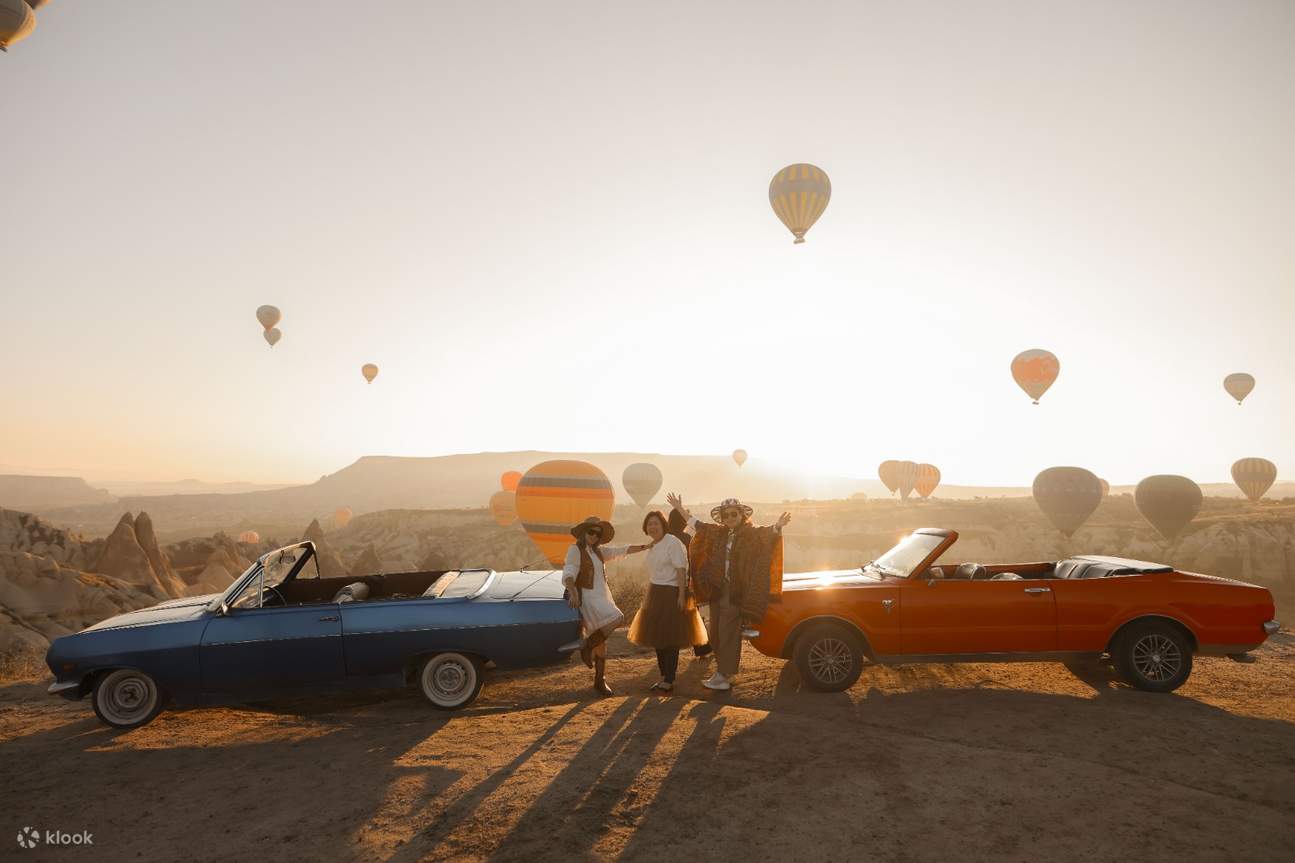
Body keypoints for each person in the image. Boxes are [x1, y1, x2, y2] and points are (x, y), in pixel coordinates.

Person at [666, 493, 790, 691]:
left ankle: (723, 675)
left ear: (741, 515)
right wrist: (680, 508)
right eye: (726, 515)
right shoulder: (719, 533)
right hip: (717, 589)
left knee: (728, 633)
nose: (730, 518)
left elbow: (767, 535)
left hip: (736, 591)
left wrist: (777, 526)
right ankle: (725, 673)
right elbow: (697, 525)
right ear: (721, 518)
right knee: (714, 633)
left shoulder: (751, 533)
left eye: (734, 514)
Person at [561, 516, 647, 697]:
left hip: (601, 596)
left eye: (597, 534)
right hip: (589, 598)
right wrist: (573, 592)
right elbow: (569, 571)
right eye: (590, 532)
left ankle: (600, 680)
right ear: (583, 532)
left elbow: (622, 550)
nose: (593, 536)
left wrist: (646, 547)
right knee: (618, 617)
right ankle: (587, 647)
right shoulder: (575, 550)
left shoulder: (598, 552)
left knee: (601, 641)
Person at [627, 510, 709, 692]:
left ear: (664, 525)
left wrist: (681, 596)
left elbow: (681, 570)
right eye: (649, 524)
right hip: (655, 592)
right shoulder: (654, 545)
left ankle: (669, 679)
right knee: (657, 637)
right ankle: (664, 676)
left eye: (656, 523)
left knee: (670, 637)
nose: (653, 527)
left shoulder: (672, 542)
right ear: (645, 528)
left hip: (672, 592)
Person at [667, 508, 713, 658]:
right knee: (693, 617)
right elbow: (694, 561)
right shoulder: (687, 538)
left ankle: (669, 652)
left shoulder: (665, 537)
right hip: (685, 582)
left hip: (666, 583)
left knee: (669, 618)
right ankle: (702, 649)